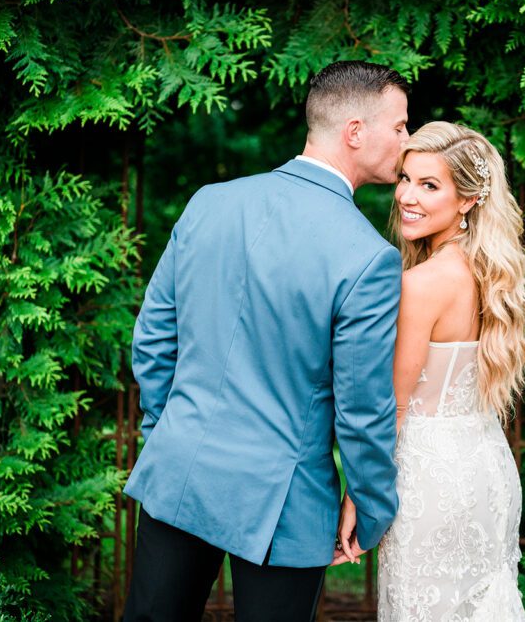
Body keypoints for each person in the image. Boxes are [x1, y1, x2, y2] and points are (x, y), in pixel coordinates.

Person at [122, 61, 410, 622]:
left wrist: (168, 433)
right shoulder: (369, 258)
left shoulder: (210, 202)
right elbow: (362, 408)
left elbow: (154, 340)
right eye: (399, 125)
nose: (407, 138)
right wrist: (371, 508)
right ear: (355, 132)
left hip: (181, 467)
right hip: (285, 499)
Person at [337, 121, 525, 620]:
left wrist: (359, 496)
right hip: (487, 472)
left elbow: (394, 408)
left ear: (467, 199)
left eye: (430, 185)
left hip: (428, 483)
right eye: (405, 178)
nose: (407, 196)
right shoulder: (492, 274)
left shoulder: (420, 284)